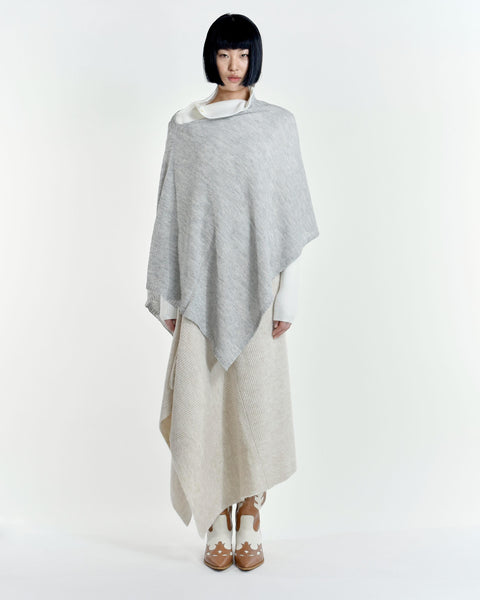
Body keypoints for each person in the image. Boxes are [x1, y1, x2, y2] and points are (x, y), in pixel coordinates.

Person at [145, 13, 319, 571]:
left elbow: (288, 214)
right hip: (200, 291)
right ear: (211, 58)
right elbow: (171, 213)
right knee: (206, 402)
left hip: (260, 292)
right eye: (224, 54)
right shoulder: (185, 127)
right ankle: (216, 514)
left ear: (254, 57)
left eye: (243, 54)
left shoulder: (277, 126)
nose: (234, 65)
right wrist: (168, 295)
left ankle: (250, 511)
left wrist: (287, 297)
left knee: (255, 403)